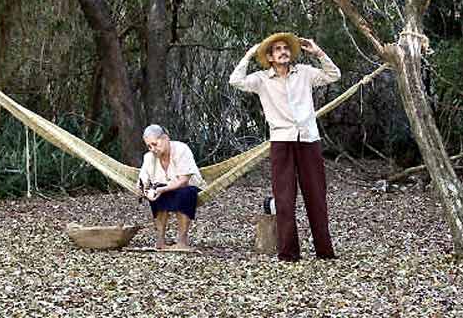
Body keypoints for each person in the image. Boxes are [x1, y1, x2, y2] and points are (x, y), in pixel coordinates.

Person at [229, 32, 341, 262]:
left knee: (317, 197)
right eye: (277, 49)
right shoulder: (261, 79)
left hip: (309, 139)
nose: (283, 52)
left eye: (285, 48)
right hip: (281, 141)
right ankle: (289, 254)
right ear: (269, 57)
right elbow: (235, 80)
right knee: (284, 198)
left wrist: (318, 52)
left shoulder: (305, 74)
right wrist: (250, 54)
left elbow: (334, 74)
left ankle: (325, 252)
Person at [138, 124, 204, 250]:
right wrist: (147, 192)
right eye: (149, 146)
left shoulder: (181, 149)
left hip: (188, 187)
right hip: (162, 189)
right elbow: (143, 181)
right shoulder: (148, 158)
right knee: (157, 197)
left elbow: (184, 180)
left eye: (155, 144)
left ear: (165, 138)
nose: (152, 149)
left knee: (185, 193)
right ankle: (160, 240)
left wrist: (161, 189)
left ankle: (182, 241)